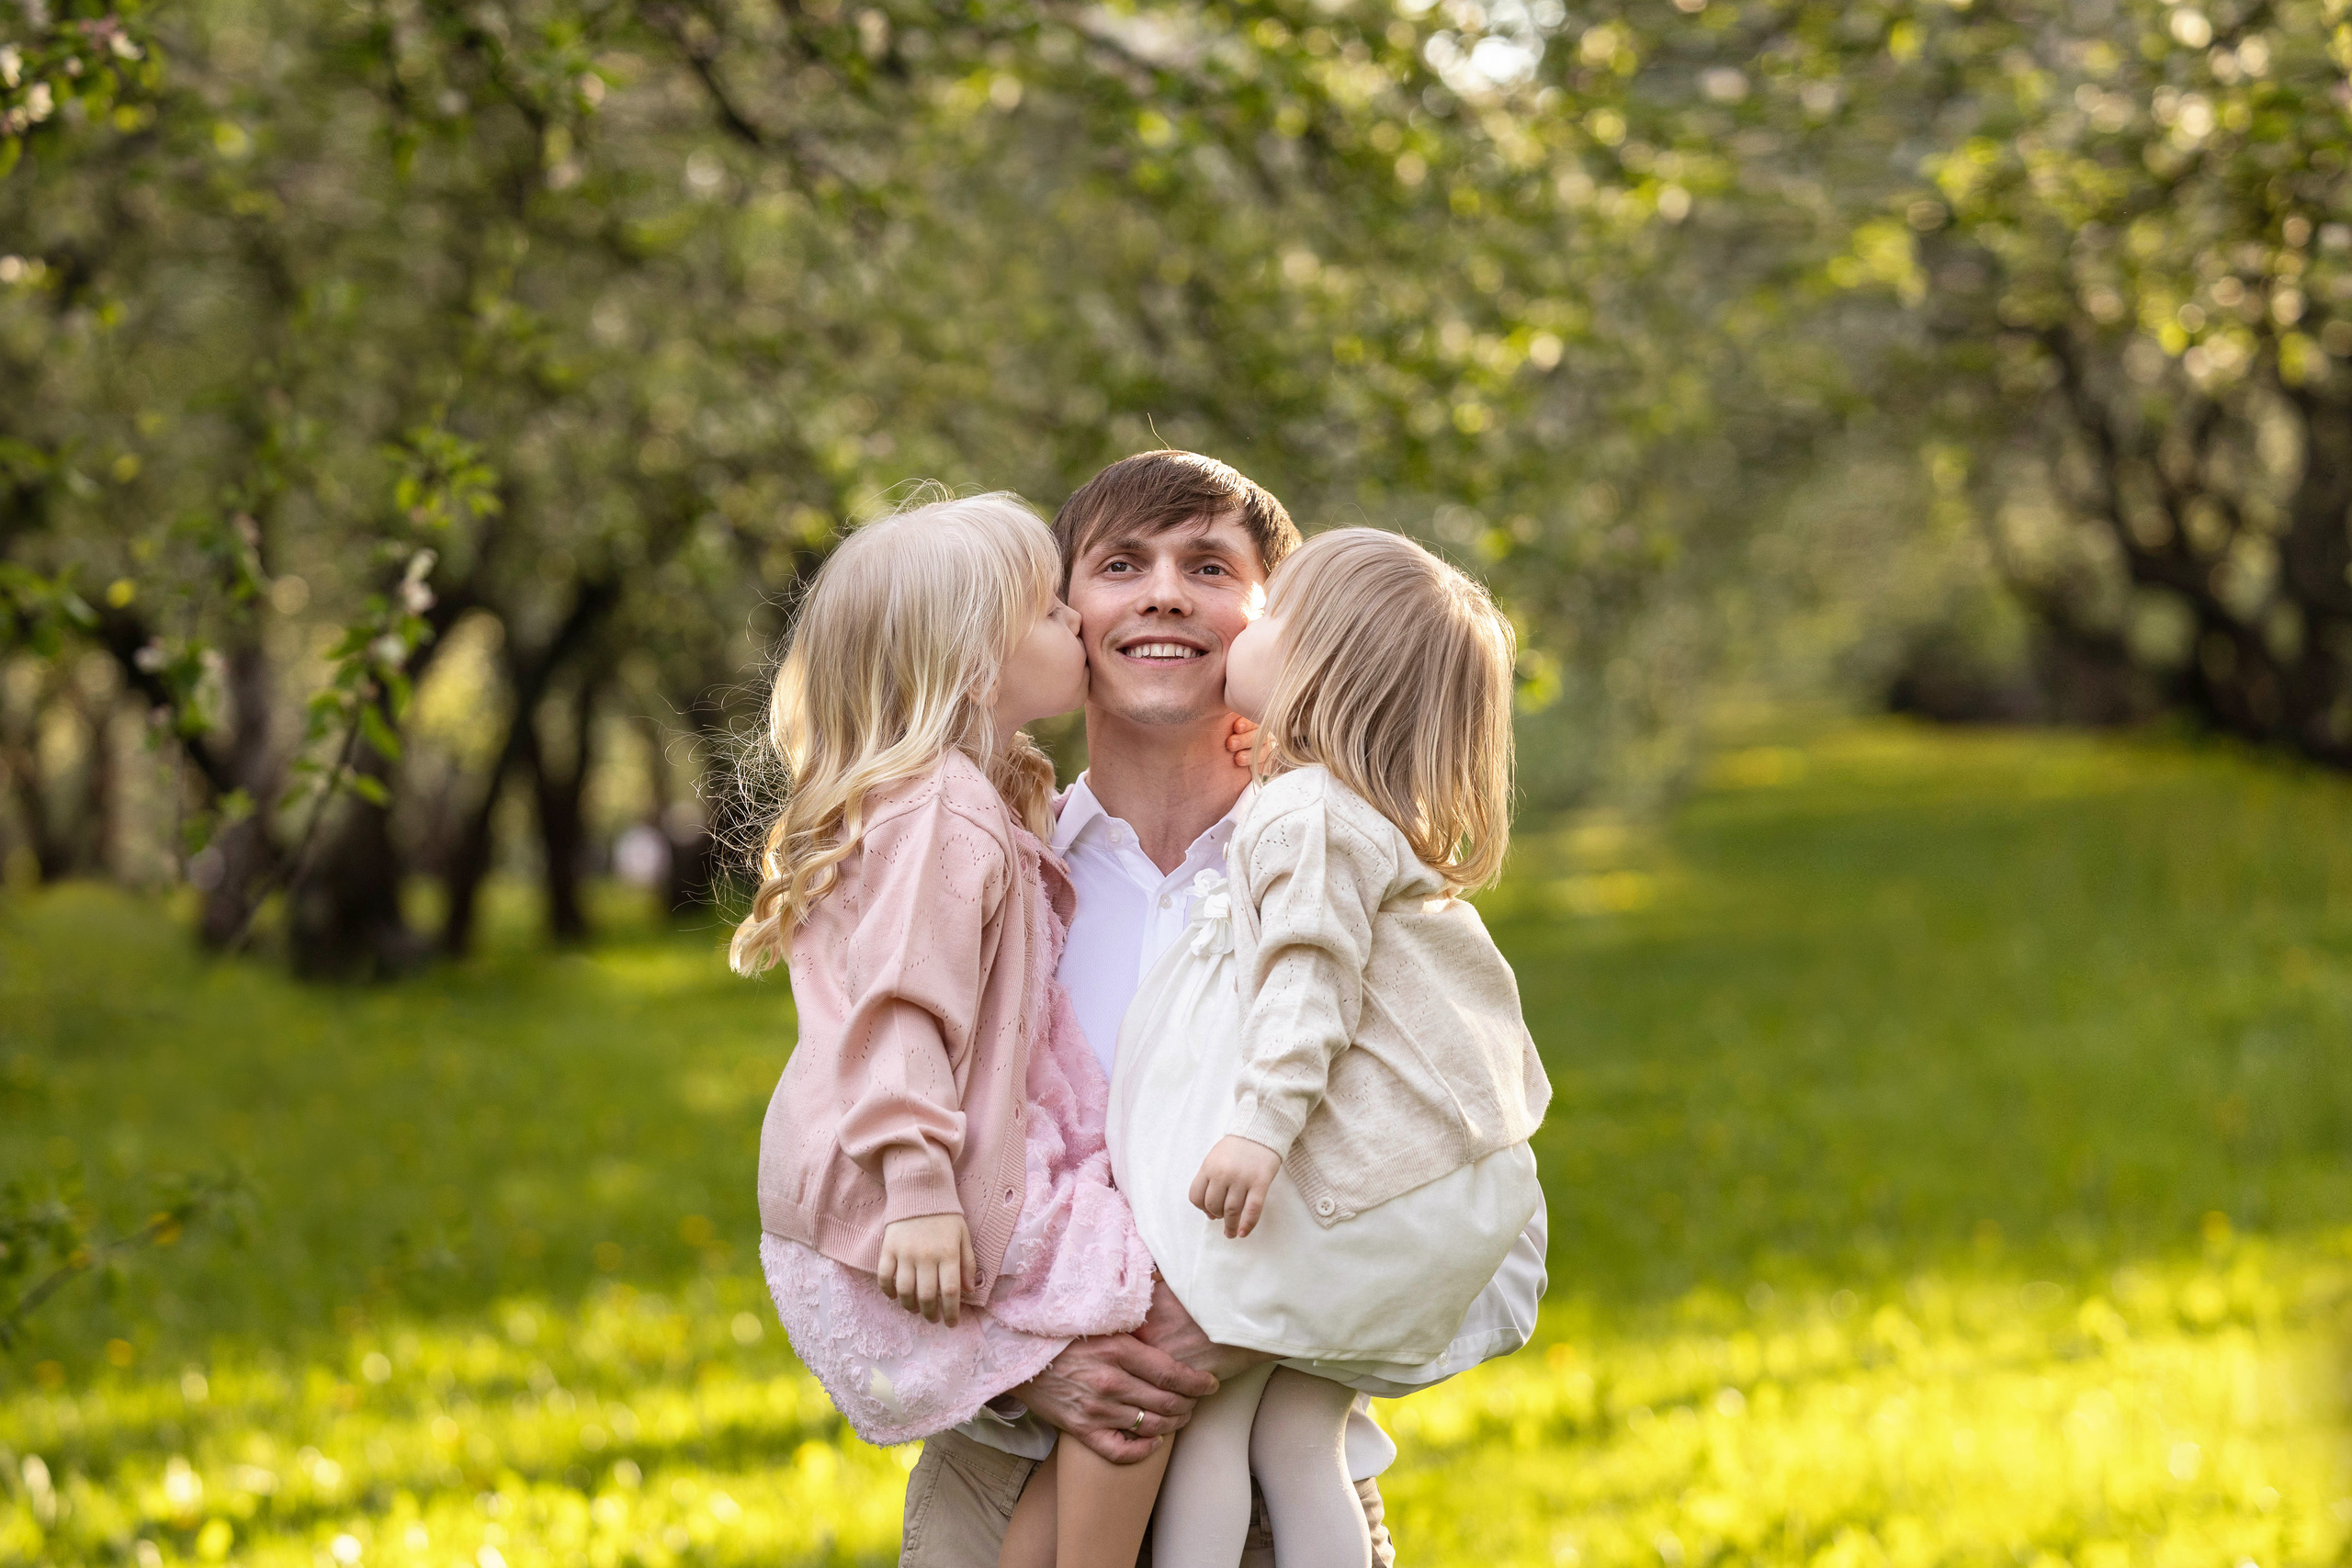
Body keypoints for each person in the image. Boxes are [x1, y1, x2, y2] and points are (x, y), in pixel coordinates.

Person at [899, 453, 1550, 1566]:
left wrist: (1248, 1314)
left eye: (1207, 564)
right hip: (1003, 1490)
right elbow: (865, 1180)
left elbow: (1498, 1239)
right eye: (1118, 564)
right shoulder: (979, 877)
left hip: (1270, 1508)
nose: (1162, 592)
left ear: (1278, 624)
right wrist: (1032, 1364)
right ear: (1062, 619)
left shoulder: (1359, 875)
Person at [737, 492, 1175, 1565]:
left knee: (1130, 1334)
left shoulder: (957, 796)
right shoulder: (938, 811)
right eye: (1044, 611)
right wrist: (922, 1192)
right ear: (974, 664)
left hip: (925, 1175)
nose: (1074, 619)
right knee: (1146, 1321)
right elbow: (900, 1013)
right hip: (917, 1189)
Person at [1109, 527, 1551, 1566]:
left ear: (1315, 668)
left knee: (1214, 1423)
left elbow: (1307, 982)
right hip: (1436, 1185)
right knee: (1300, 1433)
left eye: (1277, 617)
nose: (1247, 628)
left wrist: (1257, 1132)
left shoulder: (1303, 815)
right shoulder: (1345, 807)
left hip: (1352, 1193)